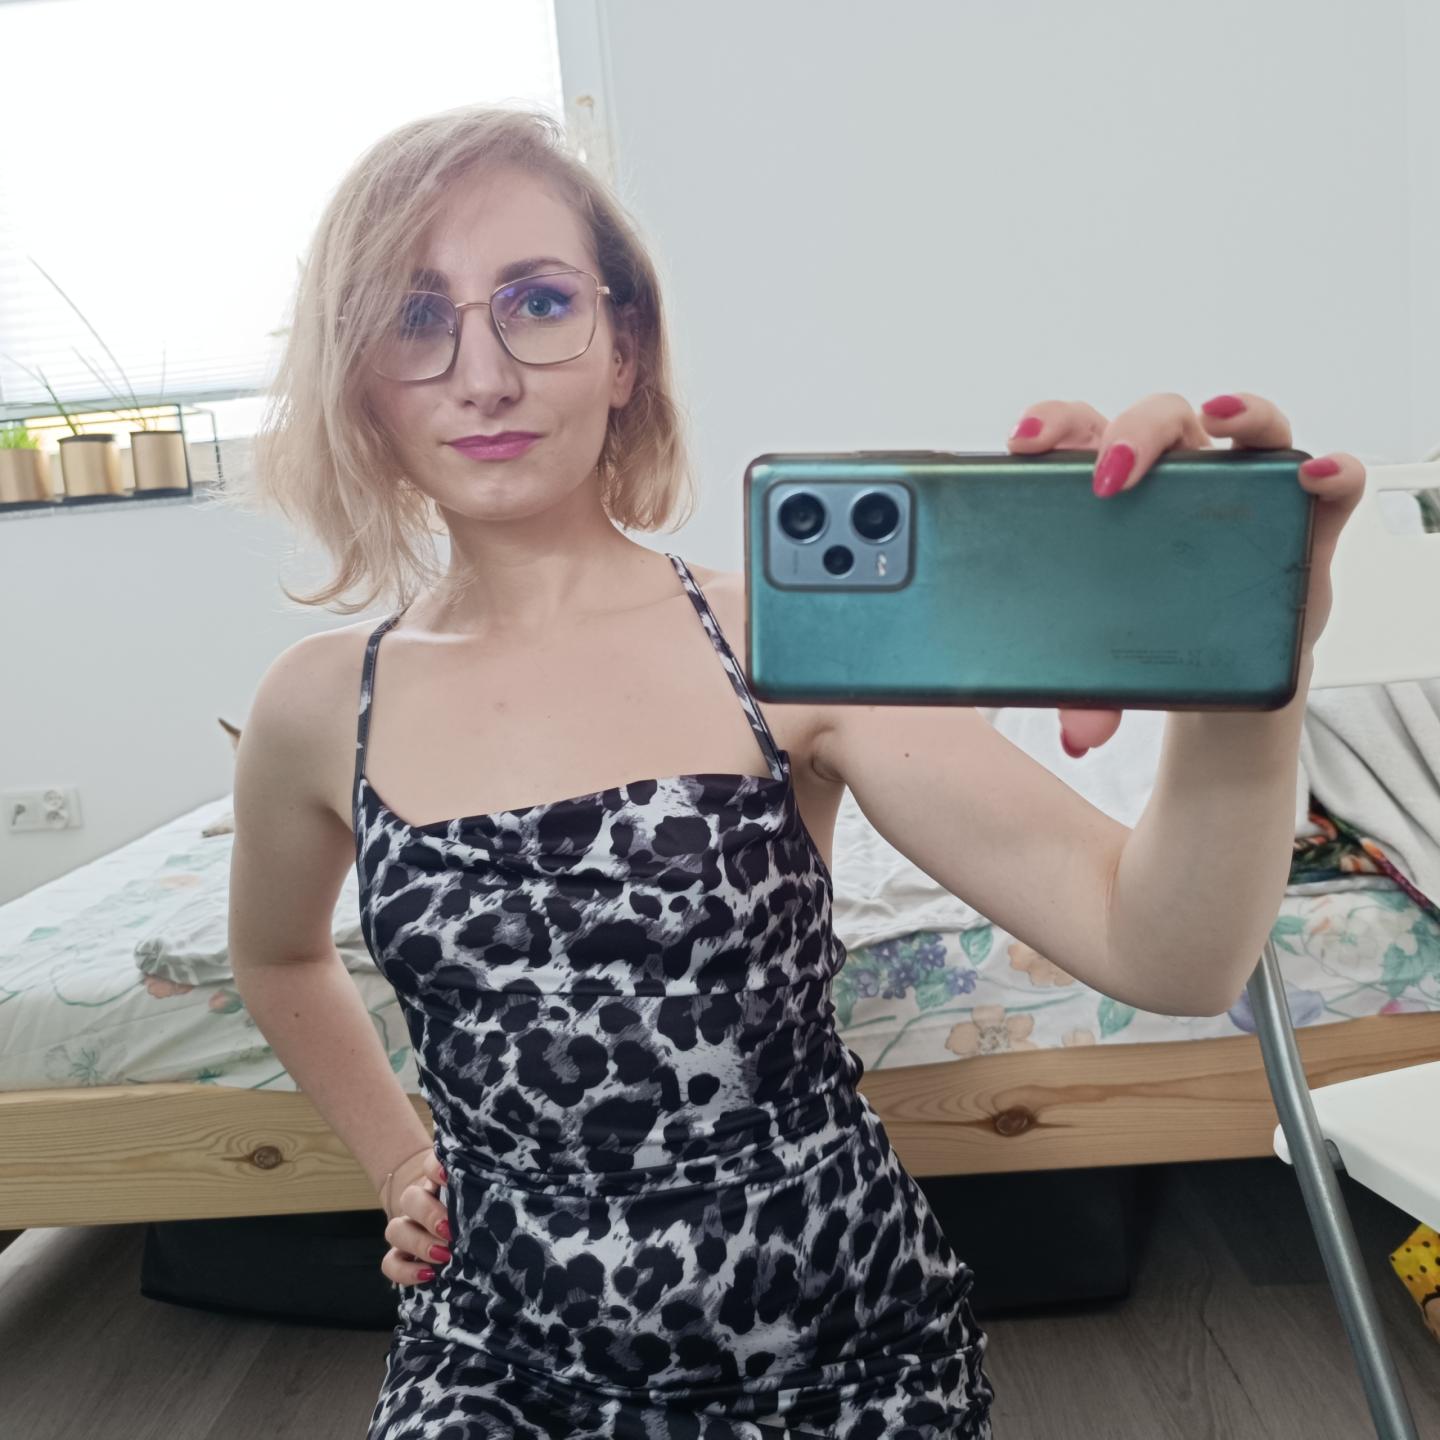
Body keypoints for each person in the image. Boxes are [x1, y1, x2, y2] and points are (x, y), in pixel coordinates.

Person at [224, 104, 1363, 1440]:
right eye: (417, 318)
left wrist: (1245, 678)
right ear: (360, 373)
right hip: (500, 1356)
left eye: (537, 302)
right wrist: (398, 1159)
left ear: (625, 348)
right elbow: (277, 955)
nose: (483, 374)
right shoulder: (320, 706)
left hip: (834, 1351)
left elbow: (1168, 953)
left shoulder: (793, 639)